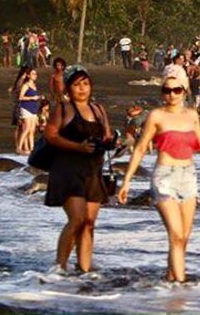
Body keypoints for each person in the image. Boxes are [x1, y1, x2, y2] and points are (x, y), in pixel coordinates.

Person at [118, 76, 200, 283]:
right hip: (164, 177)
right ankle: (181, 287)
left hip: (188, 177)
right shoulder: (156, 115)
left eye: (176, 90)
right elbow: (139, 148)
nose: (171, 94)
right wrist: (127, 181)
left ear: (184, 91)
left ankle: (170, 280)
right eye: (167, 90)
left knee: (184, 238)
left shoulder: (191, 115)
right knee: (176, 235)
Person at [44, 65, 114, 273]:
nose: (82, 89)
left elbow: (107, 135)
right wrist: (78, 147)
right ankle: (59, 266)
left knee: (90, 222)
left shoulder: (98, 109)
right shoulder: (63, 109)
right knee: (77, 219)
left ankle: (84, 268)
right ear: (68, 88)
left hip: (92, 170)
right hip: (67, 170)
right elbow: (51, 136)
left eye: (85, 83)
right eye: (76, 85)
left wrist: (111, 142)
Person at [17, 69, 41, 154]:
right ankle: (19, 147)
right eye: (33, 74)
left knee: (32, 130)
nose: (35, 75)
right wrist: (31, 98)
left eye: (35, 74)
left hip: (33, 108)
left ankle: (32, 148)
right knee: (26, 128)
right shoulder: (26, 85)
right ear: (28, 75)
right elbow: (20, 97)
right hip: (26, 108)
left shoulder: (34, 85)